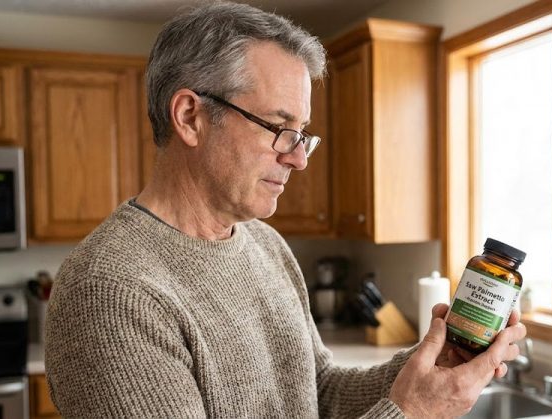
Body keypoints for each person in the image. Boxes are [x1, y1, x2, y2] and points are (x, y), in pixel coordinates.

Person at [44, 2, 527, 418]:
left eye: (302, 135)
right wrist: (412, 411)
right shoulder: (110, 295)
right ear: (191, 117)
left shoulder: (263, 243)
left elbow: (317, 395)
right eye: (278, 127)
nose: (297, 158)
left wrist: (426, 368)